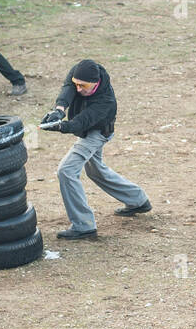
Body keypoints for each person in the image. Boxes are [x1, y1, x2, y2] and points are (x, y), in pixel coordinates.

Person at [40, 59, 150, 239]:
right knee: (95, 171)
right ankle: (138, 200)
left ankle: (83, 226)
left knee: (66, 170)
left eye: (83, 86)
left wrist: (61, 126)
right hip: (85, 130)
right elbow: (68, 87)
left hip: (97, 133)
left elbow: (81, 122)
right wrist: (59, 111)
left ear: (96, 84)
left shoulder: (106, 102)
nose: (78, 89)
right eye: (77, 84)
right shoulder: (79, 72)